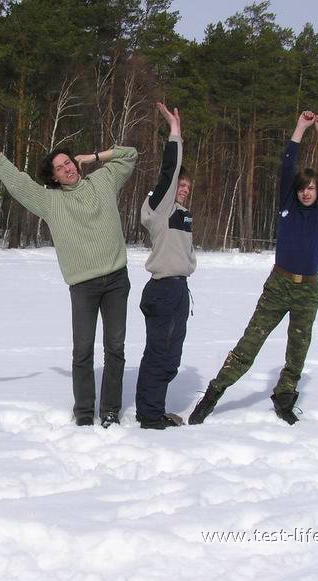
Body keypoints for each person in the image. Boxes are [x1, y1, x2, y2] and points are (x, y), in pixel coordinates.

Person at [0, 122, 138, 428]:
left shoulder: (104, 181)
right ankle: (85, 413)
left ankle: (110, 410)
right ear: (54, 176)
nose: (67, 169)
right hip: (83, 286)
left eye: (69, 162)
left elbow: (130, 155)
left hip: (116, 281)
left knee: (115, 349)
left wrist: (96, 156)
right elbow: (18, 184)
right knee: (83, 351)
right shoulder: (50, 201)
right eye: (60, 167)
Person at [188, 111, 318, 425]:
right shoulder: (287, 208)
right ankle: (214, 393)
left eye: (311, 188)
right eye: (302, 188)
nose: (306, 192)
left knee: (298, 348)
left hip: (308, 289)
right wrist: (299, 127)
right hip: (278, 286)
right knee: (250, 343)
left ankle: (285, 396)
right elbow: (286, 167)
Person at [134, 102, 195, 430]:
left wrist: (189, 267)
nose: (182, 190)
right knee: (160, 355)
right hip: (162, 290)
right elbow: (169, 172)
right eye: (179, 187)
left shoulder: (182, 215)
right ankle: (150, 415)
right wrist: (175, 133)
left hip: (179, 289)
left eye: (186, 187)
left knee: (171, 356)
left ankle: (153, 409)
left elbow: (187, 252)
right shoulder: (159, 206)